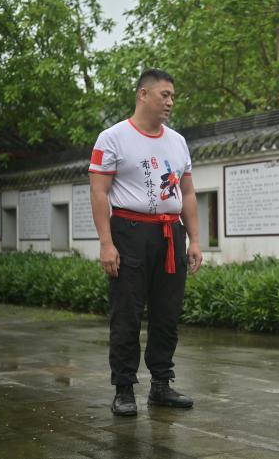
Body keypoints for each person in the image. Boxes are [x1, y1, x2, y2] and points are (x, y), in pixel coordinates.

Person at [89, 69, 203, 416]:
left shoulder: (178, 141)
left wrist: (195, 239)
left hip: (170, 234)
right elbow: (99, 190)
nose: (170, 102)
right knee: (126, 313)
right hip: (129, 232)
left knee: (167, 313)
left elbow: (187, 191)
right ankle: (124, 388)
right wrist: (106, 243)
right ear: (143, 94)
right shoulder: (113, 137)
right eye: (164, 95)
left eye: (172, 96)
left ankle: (161, 385)